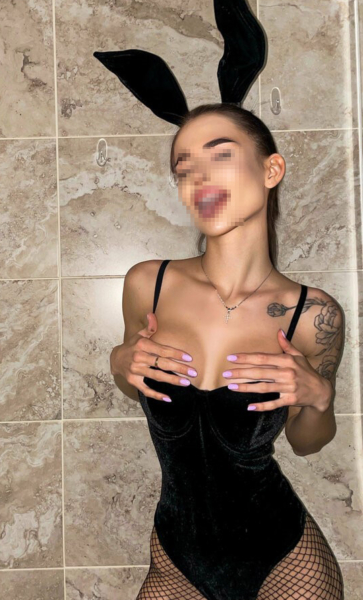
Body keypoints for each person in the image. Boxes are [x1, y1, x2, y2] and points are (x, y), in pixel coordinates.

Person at [110, 103, 346, 599]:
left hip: (286, 566)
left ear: (271, 170)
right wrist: (119, 360)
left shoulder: (312, 314)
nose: (198, 177)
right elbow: (136, 386)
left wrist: (319, 398)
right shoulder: (148, 285)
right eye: (184, 169)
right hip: (176, 562)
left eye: (220, 155)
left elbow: (307, 443)